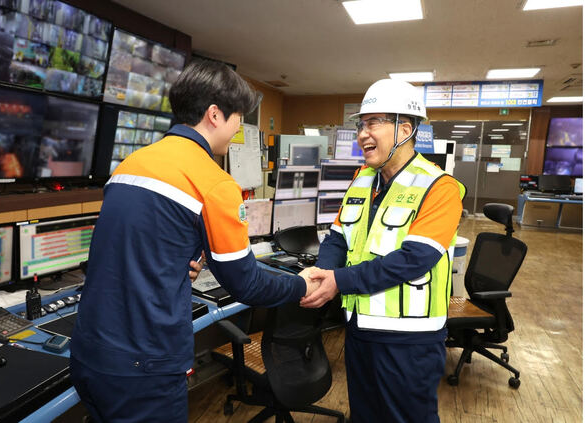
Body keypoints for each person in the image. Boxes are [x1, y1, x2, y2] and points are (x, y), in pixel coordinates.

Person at [70, 60, 318, 423]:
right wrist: (300, 284)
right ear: (215, 115)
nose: (238, 129)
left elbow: (129, 246)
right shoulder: (213, 182)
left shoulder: (131, 163)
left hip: (90, 353)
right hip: (144, 364)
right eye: (239, 119)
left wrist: (172, 261)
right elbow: (246, 283)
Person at [300, 79, 465, 423]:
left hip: (409, 341)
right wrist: (322, 272)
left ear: (405, 129)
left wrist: (338, 281)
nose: (362, 133)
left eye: (373, 122)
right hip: (360, 330)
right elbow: (337, 237)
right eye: (361, 124)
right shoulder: (362, 179)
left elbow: (413, 260)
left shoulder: (440, 187)